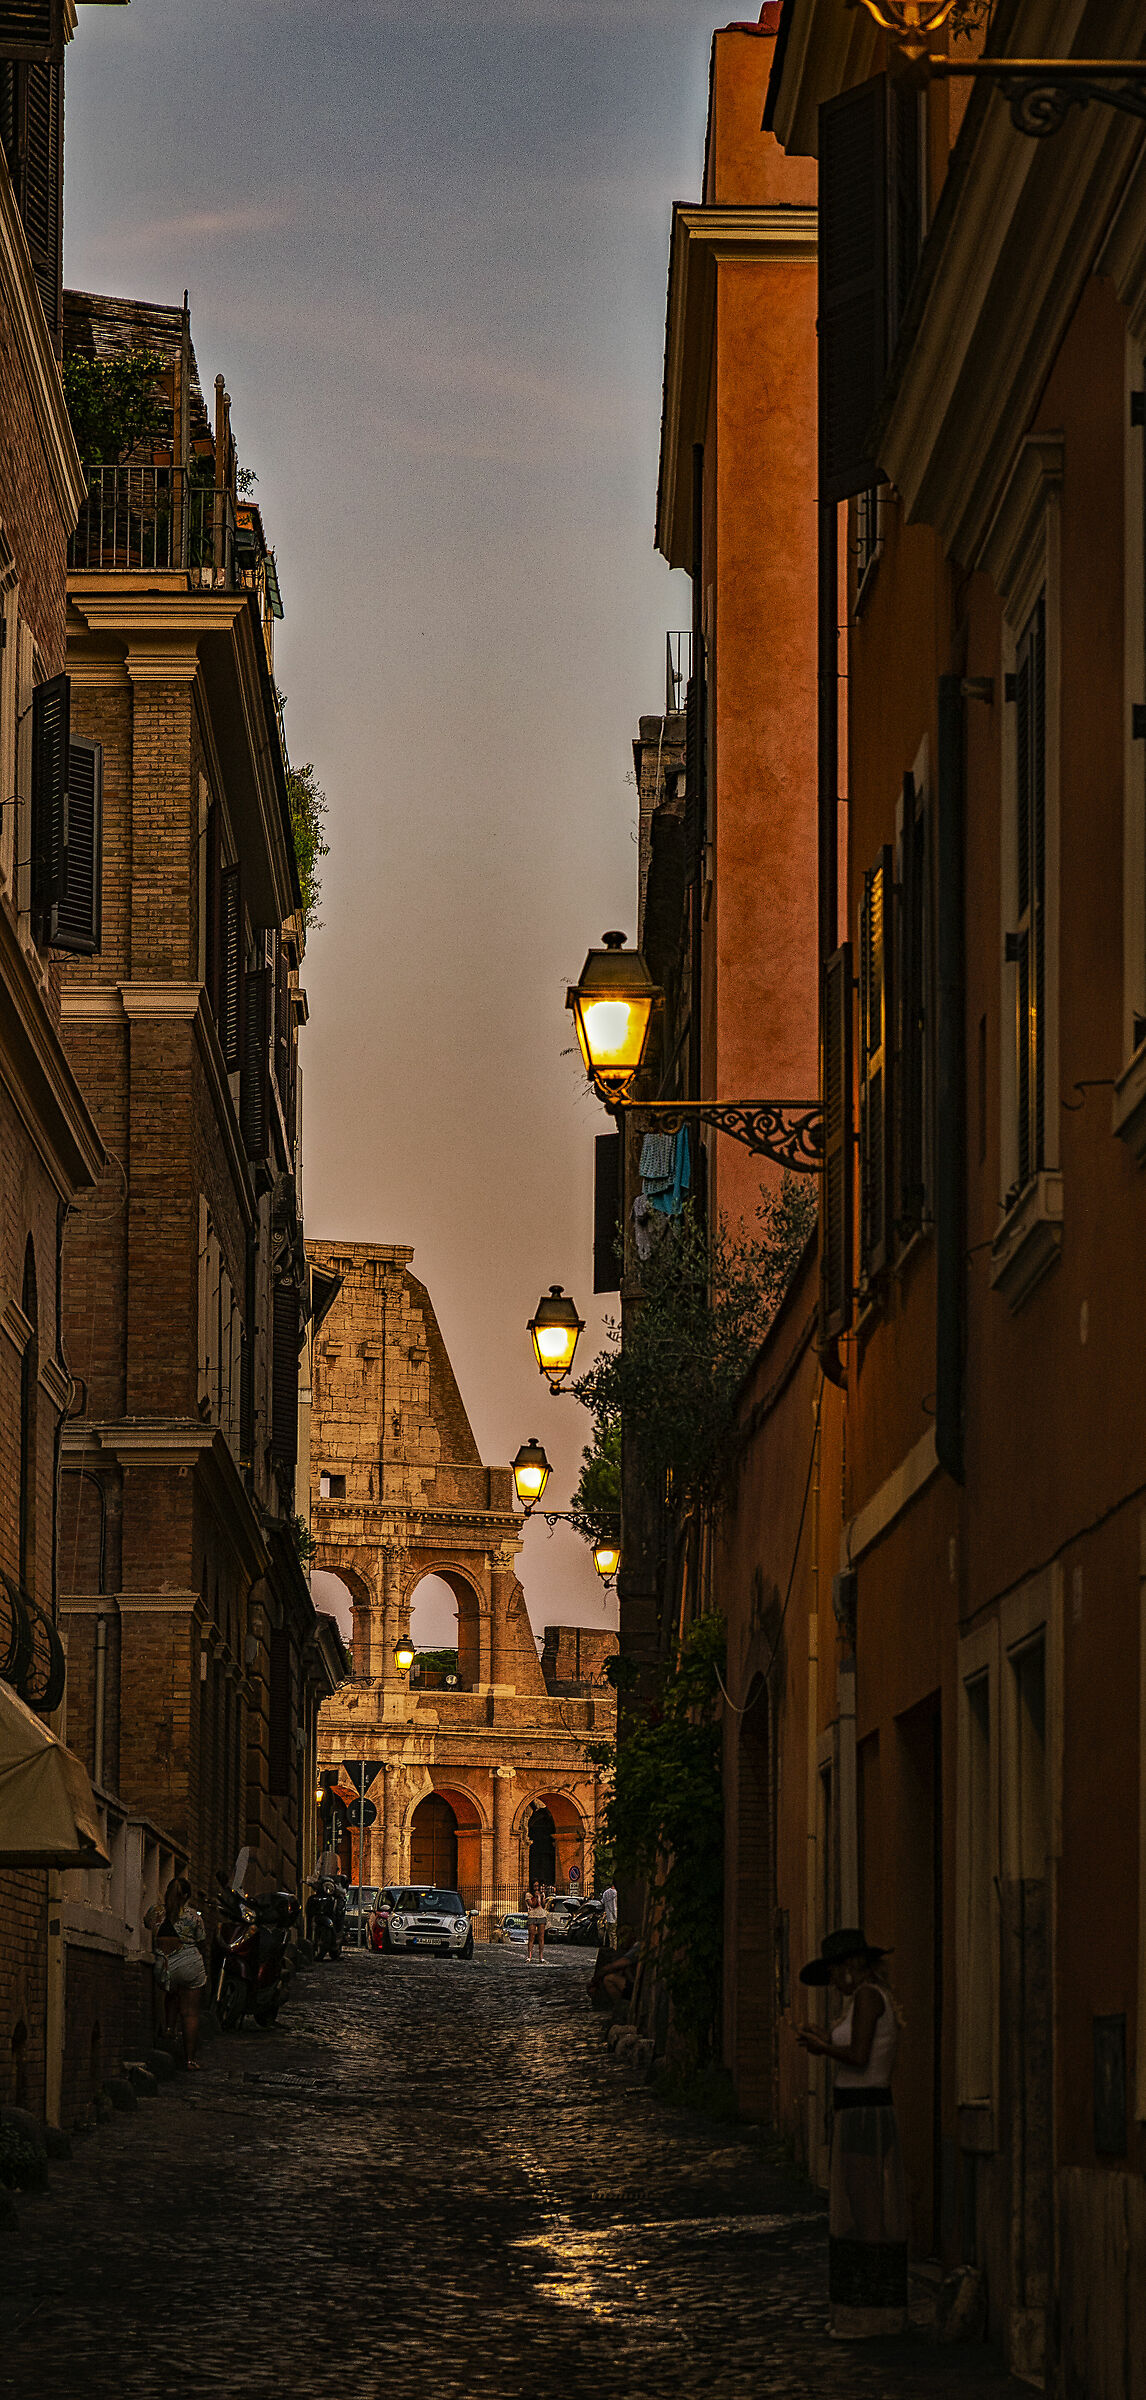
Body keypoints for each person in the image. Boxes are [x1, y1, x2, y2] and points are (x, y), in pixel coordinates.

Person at [796, 1927, 908, 2341]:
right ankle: (868, 2306)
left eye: (834, 1973)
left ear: (849, 1967)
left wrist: (823, 2048)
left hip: (864, 2112)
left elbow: (859, 2057)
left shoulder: (866, 1998)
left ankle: (873, 2308)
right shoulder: (865, 1998)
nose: (833, 1982)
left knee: (866, 2211)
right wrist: (825, 2038)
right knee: (862, 2207)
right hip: (857, 2109)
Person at [163, 1877, 208, 2068]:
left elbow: (148, 1925)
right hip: (190, 1963)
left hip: (166, 1965)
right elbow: (202, 1940)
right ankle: (190, 2059)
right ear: (187, 1896)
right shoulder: (194, 1917)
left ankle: (168, 2030)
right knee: (190, 2014)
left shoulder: (156, 1912)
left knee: (170, 1994)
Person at [524, 1879, 548, 1963]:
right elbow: (532, 1905)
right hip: (532, 1916)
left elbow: (544, 1905)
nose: (536, 1888)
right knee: (532, 1937)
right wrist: (536, 1897)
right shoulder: (528, 1895)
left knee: (541, 1937)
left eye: (537, 1886)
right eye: (535, 1886)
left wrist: (542, 1897)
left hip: (541, 1916)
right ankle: (529, 1956)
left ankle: (541, 1957)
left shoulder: (542, 1894)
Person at [599, 1881, 618, 1951]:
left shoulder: (606, 1892)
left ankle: (611, 1947)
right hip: (615, 1917)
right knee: (614, 1935)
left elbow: (602, 1902)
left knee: (610, 1935)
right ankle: (614, 1948)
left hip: (608, 1917)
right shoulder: (616, 1893)